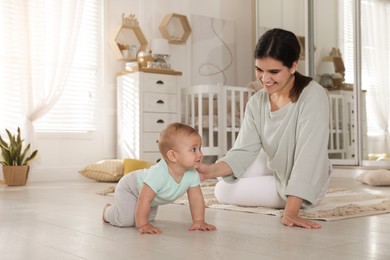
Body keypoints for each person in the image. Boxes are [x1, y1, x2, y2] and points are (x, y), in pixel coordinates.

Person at [197, 28, 331, 229]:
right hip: (276, 161)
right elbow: (243, 151)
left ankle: (294, 197)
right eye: (259, 69)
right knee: (223, 176)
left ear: (294, 65)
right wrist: (207, 171)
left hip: (309, 178)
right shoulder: (256, 102)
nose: (265, 79)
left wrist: (291, 212)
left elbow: (309, 156)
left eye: (274, 72)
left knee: (223, 191)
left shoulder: (313, 95)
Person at [103, 122, 216, 234]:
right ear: (173, 156)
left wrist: (199, 221)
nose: (200, 154)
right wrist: (143, 225)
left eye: (200, 148)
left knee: (148, 218)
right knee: (125, 221)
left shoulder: (192, 174)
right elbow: (144, 199)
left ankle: (137, 216)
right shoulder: (159, 174)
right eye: (193, 150)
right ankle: (107, 211)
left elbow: (196, 199)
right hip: (130, 188)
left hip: (150, 198)